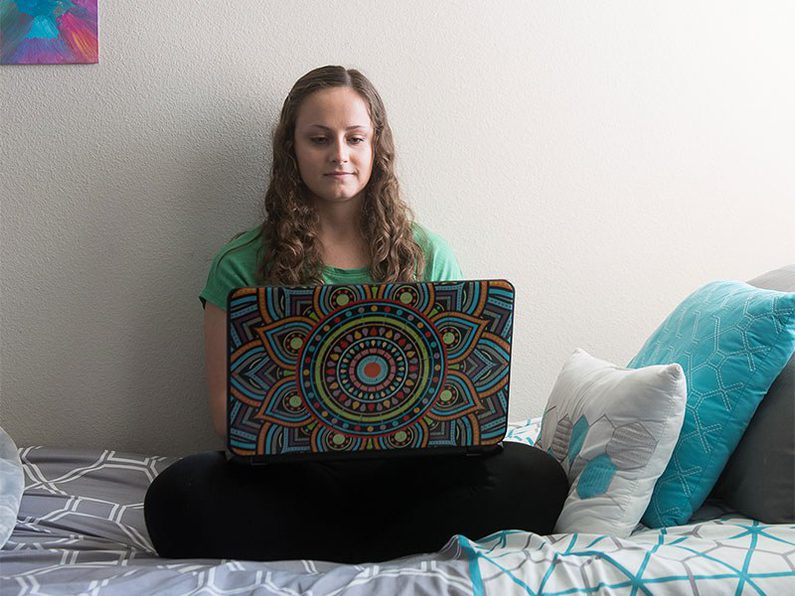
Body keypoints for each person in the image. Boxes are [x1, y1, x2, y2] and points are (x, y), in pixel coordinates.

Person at [144, 65, 568, 564]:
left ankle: (334, 545)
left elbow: (466, 400)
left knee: (537, 475)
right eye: (319, 139)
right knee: (178, 492)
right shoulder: (241, 263)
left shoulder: (427, 254)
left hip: (409, 475)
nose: (339, 155)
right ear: (292, 150)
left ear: (375, 149)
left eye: (355, 138)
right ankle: (389, 544)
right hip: (294, 479)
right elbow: (225, 414)